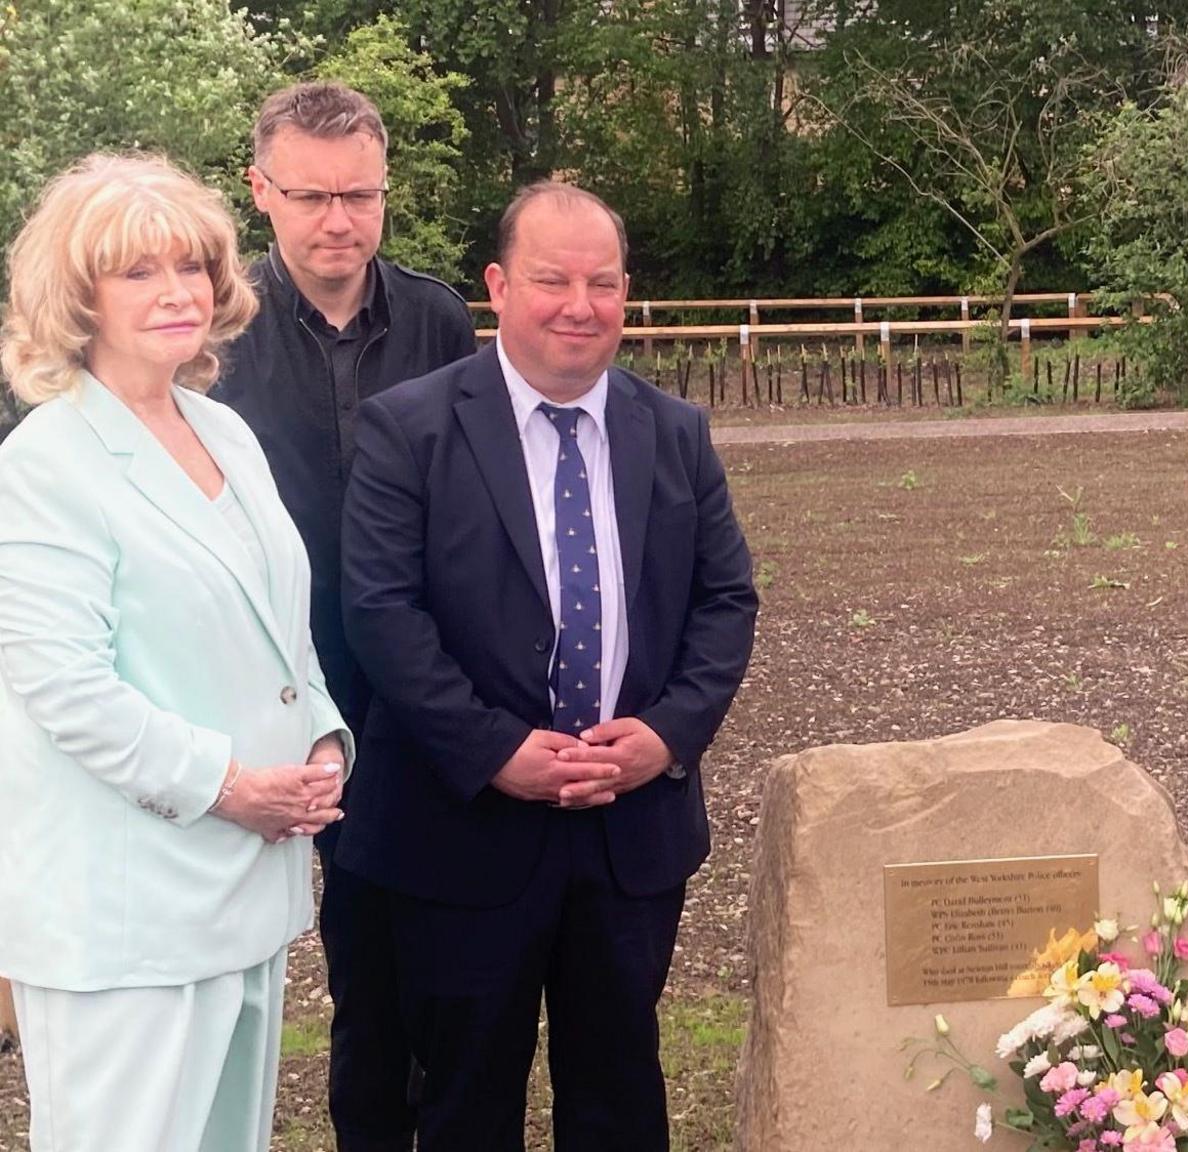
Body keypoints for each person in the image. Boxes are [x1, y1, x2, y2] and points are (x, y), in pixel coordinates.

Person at [337, 181, 758, 1151]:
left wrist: (667, 735)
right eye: (551, 280)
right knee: (462, 1098)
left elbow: (725, 601)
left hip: (628, 833)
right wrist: (493, 751)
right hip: (461, 828)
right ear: (496, 285)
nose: (579, 304)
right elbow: (381, 611)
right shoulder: (408, 428)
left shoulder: (676, 434)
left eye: (601, 282)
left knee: (617, 1092)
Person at [0, 153, 352, 1152]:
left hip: (245, 891)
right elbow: (67, 690)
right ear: (79, 298)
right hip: (122, 919)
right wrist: (228, 784)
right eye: (137, 272)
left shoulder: (223, 430)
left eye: (192, 266)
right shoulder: (45, 465)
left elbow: (281, 627)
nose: (177, 293)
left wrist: (323, 742)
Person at [212, 81, 476, 1152]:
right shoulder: (213, 330)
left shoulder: (438, 317)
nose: (338, 222)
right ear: (260, 191)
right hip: (258, 696)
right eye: (312, 196)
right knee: (254, 970)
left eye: (359, 195)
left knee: (408, 957)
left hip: (408, 689)